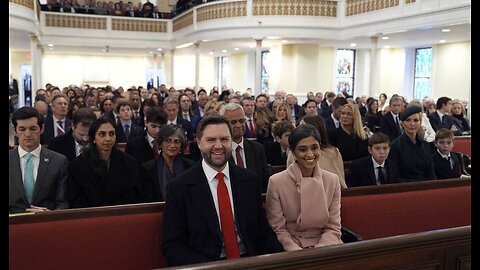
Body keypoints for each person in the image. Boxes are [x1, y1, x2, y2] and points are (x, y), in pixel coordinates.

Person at [162, 115, 284, 266]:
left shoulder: (249, 181)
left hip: (249, 262)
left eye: (224, 139)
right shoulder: (179, 188)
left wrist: (283, 259)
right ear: (199, 143)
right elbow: (172, 246)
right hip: (206, 265)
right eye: (211, 140)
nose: (218, 146)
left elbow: (262, 232)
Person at [265, 124, 342, 251]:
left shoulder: (332, 180)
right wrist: (299, 254)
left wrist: (319, 250)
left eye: (314, 148)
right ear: (292, 152)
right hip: (291, 248)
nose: (310, 154)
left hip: (327, 247)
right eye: (303, 149)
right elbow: (279, 230)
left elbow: (333, 228)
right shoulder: (276, 182)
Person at [67, 117, 142, 208]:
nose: (108, 139)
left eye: (111, 134)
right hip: (89, 216)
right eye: (102, 134)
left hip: (122, 214)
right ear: (93, 137)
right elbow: (76, 197)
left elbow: (133, 193)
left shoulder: (129, 162)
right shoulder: (78, 165)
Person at [9, 107, 69, 213]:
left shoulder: (58, 161)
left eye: (33, 129)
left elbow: (63, 202)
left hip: (46, 224)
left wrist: (50, 215)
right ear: (15, 130)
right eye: (22, 129)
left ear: (41, 129)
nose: (27, 134)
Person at [220, 103, 271, 192]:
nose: (239, 125)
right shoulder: (219, 151)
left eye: (241, 121)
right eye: (233, 122)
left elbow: (265, 181)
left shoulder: (258, 149)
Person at [287, 115, 347, 188]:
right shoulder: (293, 154)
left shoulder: (333, 152)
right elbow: (290, 182)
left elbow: (341, 178)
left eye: (304, 127)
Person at [141, 124, 196, 202]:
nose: (172, 145)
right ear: (160, 143)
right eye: (168, 141)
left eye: (177, 141)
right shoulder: (147, 168)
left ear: (181, 145)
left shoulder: (191, 167)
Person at [389, 106, 437, 181]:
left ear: (420, 122)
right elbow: (395, 175)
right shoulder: (395, 146)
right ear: (402, 123)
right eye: (408, 120)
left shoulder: (426, 145)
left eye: (416, 120)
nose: (412, 124)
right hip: (407, 187)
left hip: (426, 186)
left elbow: (431, 172)